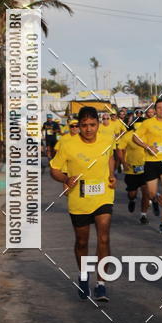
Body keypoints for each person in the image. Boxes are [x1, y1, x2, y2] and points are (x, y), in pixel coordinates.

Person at [49, 106, 116, 303]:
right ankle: (84, 275)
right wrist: (66, 178)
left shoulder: (106, 140)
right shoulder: (68, 145)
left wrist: (111, 175)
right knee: (82, 242)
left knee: (104, 237)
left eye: (92, 125)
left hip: (103, 196)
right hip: (79, 200)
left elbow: (110, 157)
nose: (88, 129)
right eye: (84, 125)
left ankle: (101, 283)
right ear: (79, 126)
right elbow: (54, 169)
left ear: (97, 124)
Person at [132, 99, 162, 234]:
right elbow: (135, 137)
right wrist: (147, 146)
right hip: (151, 161)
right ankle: (154, 200)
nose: (161, 110)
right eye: (159, 108)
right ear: (155, 110)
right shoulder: (148, 123)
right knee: (151, 193)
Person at [116, 123, 150, 222]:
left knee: (146, 193)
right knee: (132, 193)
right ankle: (132, 200)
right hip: (131, 170)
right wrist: (123, 163)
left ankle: (143, 215)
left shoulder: (147, 135)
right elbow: (119, 149)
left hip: (145, 168)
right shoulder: (128, 136)